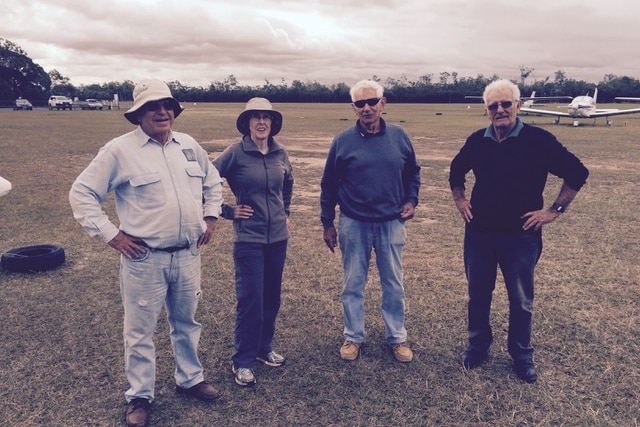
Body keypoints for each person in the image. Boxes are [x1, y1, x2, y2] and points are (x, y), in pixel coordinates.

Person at [69, 79, 224, 427]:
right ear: (138, 113)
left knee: (186, 322)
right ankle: (140, 395)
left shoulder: (189, 145)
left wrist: (211, 216)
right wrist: (112, 236)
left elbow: (212, 181)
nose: (162, 112)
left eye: (167, 105)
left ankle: (190, 378)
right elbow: (81, 194)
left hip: (187, 256)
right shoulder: (119, 151)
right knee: (139, 331)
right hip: (144, 259)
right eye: (153, 107)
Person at [449, 79, 589, 383]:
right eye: (493, 106)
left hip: (521, 236)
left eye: (505, 104)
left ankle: (522, 356)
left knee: (521, 299)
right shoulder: (477, 141)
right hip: (480, 234)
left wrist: (554, 211)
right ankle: (477, 348)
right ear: (487, 111)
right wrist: (460, 199)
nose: (500, 110)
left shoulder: (538, 140)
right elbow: (456, 170)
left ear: (518, 105)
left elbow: (578, 172)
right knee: (478, 295)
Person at [320, 79, 421, 363]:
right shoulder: (342, 140)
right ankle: (353, 336)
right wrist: (327, 223)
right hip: (354, 223)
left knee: (393, 284)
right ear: (353, 108)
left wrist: (411, 201)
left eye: (372, 101)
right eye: (360, 104)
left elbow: (413, 173)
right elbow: (329, 184)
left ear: (383, 103)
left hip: (391, 223)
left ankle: (397, 337)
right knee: (352, 283)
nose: (367, 108)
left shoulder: (400, 136)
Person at [212, 97, 293, 387]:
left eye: (266, 117)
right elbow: (204, 182)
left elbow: (288, 183)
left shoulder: (280, 152)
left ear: (272, 123)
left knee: (271, 297)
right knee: (251, 301)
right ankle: (242, 360)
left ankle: (263, 349)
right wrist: (227, 211)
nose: (261, 122)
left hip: (278, 239)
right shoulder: (235, 153)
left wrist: (286, 211)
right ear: (247, 123)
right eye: (255, 117)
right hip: (249, 239)